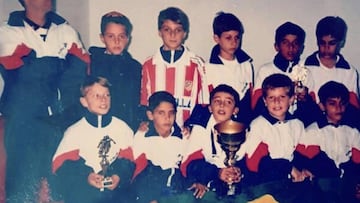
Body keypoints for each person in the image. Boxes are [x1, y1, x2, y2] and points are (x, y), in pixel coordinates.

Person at [0, 0, 89, 202]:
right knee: (21, 187)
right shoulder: (7, 33)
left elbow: (79, 74)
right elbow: (23, 76)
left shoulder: (67, 31)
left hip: (61, 119)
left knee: (61, 187)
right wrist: (60, 64)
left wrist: (40, 62)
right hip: (23, 122)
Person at [51, 76, 135, 203]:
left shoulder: (122, 128)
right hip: (85, 192)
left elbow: (130, 159)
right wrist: (87, 175)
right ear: (84, 102)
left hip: (115, 192)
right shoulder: (74, 131)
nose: (103, 100)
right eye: (96, 95)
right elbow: (61, 163)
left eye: (107, 95)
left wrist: (118, 175)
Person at [245, 74, 318, 202]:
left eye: (282, 97)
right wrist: (288, 168)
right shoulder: (258, 125)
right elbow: (255, 164)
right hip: (265, 184)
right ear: (264, 101)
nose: (276, 102)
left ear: (291, 99)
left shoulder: (297, 124)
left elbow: (302, 154)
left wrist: (304, 169)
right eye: (271, 97)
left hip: (290, 183)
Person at [140, 6, 209, 127]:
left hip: (187, 133)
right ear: (159, 32)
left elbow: (203, 103)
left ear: (185, 33)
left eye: (178, 30)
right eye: (167, 30)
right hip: (157, 133)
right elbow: (145, 102)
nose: (173, 34)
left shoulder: (196, 64)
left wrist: (190, 126)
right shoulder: (148, 64)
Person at [181, 84, 249, 202]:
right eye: (217, 101)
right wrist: (216, 173)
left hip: (232, 182)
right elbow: (189, 164)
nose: (222, 105)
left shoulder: (243, 129)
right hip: (208, 178)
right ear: (210, 108)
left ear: (235, 110)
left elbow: (248, 160)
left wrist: (238, 171)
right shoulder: (200, 128)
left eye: (228, 102)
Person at [295, 81, 360, 202]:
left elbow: (357, 162)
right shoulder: (314, 131)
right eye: (332, 103)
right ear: (322, 106)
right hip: (322, 187)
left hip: (347, 185)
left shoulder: (352, 132)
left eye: (342, 103)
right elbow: (310, 163)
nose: (338, 108)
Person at [251, 22, 319, 127]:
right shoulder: (266, 70)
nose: (290, 47)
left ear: (301, 47)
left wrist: (305, 99)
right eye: (285, 43)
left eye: (295, 43)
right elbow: (256, 107)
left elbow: (312, 112)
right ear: (276, 46)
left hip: (298, 127)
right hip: (270, 127)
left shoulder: (306, 73)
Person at [89, 11, 142, 131]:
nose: (116, 41)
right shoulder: (92, 64)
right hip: (99, 126)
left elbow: (138, 100)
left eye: (121, 36)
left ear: (128, 38)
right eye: (111, 36)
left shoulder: (135, 67)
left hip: (127, 126)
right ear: (102, 38)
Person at [132, 91, 188, 203]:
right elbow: (138, 171)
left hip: (176, 189)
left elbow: (185, 165)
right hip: (150, 190)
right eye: (161, 113)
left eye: (171, 113)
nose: (167, 118)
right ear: (150, 115)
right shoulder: (143, 136)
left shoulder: (182, 137)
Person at [205, 11, 254, 125]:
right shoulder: (208, 68)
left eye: (237, 37)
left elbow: (249, 99)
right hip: (217, 123)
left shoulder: (246, 65)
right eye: (228, 38)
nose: (234, 42)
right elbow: (205, 102)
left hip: (243, 122)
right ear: (216, 38)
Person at [304, 16, 359, 108]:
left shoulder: (349, 72)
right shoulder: (303, 67)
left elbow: (353, 106)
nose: (326, 48)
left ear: (341, 43)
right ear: (317, 41)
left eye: (332, 43)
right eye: (322, 43)